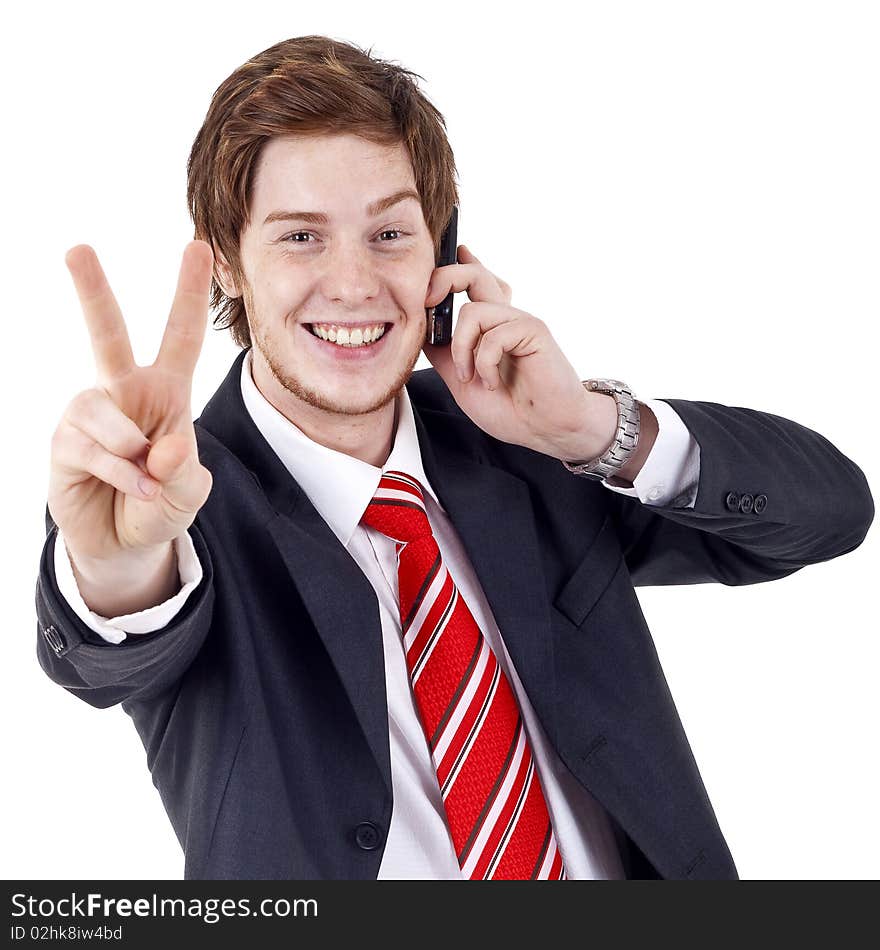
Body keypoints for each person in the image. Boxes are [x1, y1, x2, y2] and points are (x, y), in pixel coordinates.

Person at [35, 35, 874, 880]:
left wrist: (586, 426)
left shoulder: (527, 447)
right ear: (225, 262)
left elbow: (832, 515)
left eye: (390, 232)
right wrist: (118, 562)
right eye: (300, 237)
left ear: (442, 252)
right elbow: (117, 638)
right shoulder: (179, 503)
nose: (356, 284)